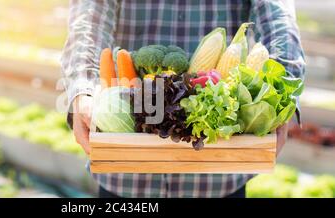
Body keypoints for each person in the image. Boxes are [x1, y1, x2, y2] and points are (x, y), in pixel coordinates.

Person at [61, 0, 305, 198]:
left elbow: (278, 19)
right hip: (126, 174)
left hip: (218, 174)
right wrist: (83, 87)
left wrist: (281, 93)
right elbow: (89, 17)